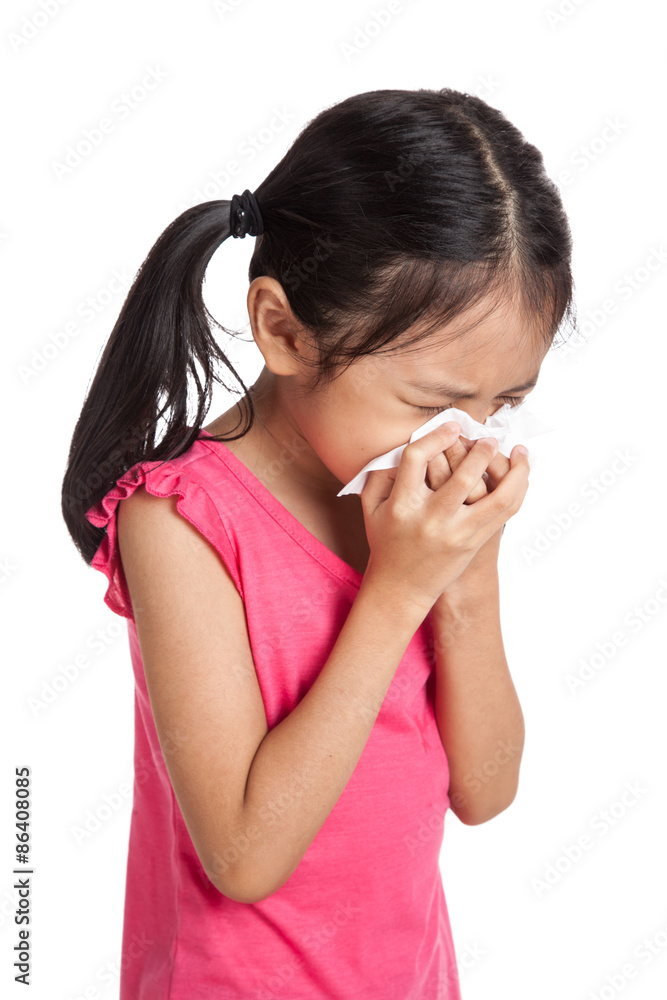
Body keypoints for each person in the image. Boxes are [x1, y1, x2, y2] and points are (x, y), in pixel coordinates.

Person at [61, 87, 576, 1000]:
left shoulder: (401, 509)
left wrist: (465, 582)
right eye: (431, 403)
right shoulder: (180, 521)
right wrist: (397, 592)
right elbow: (244, 857)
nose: (465, 440)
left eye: (504, 405)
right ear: (285, 331)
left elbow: (485, 792)